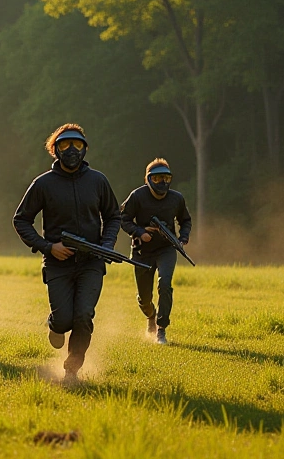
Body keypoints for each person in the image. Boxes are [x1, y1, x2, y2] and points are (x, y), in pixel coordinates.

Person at [13, 124, 122, 383]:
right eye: (64, 145)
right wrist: (49, 247)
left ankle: (72, 369)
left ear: (85, 149)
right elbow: (21, 220)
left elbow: (113, 216)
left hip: (92, 263)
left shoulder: (98, 181)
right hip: (57, 263)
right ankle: (55, 325)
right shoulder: (43, 183)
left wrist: (107, 244)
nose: (71, 151)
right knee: (64, 320)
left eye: (77, 145)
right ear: (55, 150)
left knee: (84, 315)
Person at [120, 158, 193, 344]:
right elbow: (123, 219)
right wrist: (140, 232)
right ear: (148, 179)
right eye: (158, 178)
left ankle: (161, 329)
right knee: (144, 299)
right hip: (141, 251)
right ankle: (151, 316)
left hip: (166, 249)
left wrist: (183, 237)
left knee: (165, 284)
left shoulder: (177, 198)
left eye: (166, 179)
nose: (162, 183)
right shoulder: (137, 196)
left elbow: (185, 220)